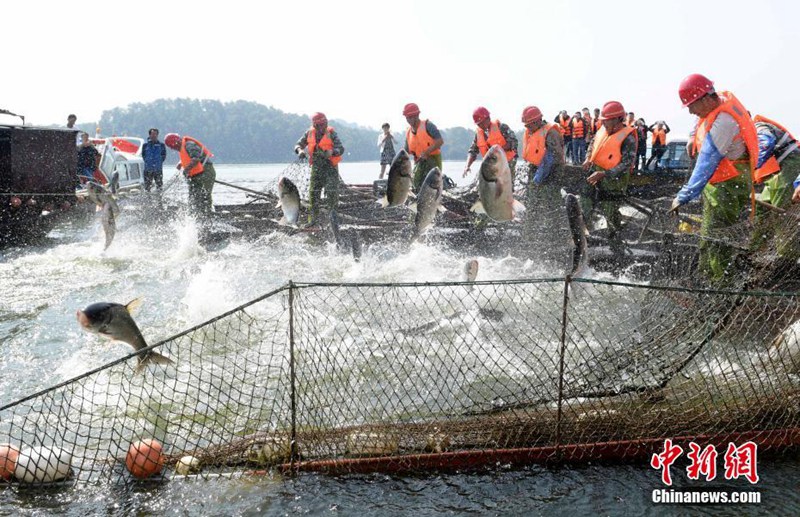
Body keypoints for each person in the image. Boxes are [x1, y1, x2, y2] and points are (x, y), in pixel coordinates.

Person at [670, 73, 758, 283]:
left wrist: (684, 195)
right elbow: (698, 122)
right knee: (707, 238)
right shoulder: (718, 104)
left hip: (728, 185)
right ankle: (707, 278)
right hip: (720, 183)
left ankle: (721, 289)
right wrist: (693, 137)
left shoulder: (724, 123)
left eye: (692, 105)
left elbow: (706, 162)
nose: (691, 110)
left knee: (715, 240)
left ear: (705, 98)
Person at [582, 101, 638, 250]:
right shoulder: (602, 131)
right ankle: (582, 241)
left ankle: (617, 248)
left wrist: (605, 174)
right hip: (595, 174)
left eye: (607, 121)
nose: (604, 123)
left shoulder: (628, 138)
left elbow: (626, 163)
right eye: (603, 120)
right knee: (585, 205)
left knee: (610, 213)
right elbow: (591, 145)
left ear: (618, 119)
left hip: (614, 181)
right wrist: (588, 158)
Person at [294, 112, 345, 227]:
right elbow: (298, 145)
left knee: (332, 194)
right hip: (316, 169)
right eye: (321, 124)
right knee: (313, 194)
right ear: (315, 125)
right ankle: (313, 220)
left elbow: (341, 148)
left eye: (325, 124)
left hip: (330, 168)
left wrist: (332, 152)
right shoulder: (309, 133)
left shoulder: (331, 133)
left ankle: (333, 221)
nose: (323, 126)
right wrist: (300, 151)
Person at [520, 105, 565, 208]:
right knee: (532, 197)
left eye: (529, 126)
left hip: (553, 170)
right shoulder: (532, 132)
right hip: (537, 168)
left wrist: (538, 178)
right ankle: (532, 218)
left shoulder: (551, 133)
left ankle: (555, 219)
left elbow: (552, 157)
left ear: (537, 121)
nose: (527, 128)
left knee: (549, 197)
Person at [164, 132, 217, 219]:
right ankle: (196, 216)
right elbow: (188, 157)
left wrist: (186, 169)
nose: (174, 149)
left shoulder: (189, 145)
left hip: (206, 172)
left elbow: (195, 159)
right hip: (195, 175)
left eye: (173, 147)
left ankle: (207, 216)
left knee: (205, 196)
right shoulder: (183, 147)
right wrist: (181, 163)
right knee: (193, 197)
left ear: (176, 142)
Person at [752, 115, 800, 209]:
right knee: (762, 205)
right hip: (781, 167)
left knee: (779, 202)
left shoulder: (758, 126)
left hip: (792, 162)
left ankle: (779, 222)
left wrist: (753, 167)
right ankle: (760, 222)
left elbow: (766, 143)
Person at [463, 107, 518, 181]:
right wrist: (467, 166)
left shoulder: (501, 127)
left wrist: (497, 151)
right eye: (479, 124)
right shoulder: (478, 134)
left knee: (506, 186)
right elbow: (472, 151)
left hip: (507, 163)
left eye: (482, 122)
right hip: (490, 166)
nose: (481, 125)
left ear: (488, 118)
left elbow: (514, 142)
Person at [403, 103, 444, 191]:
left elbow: (440, 141)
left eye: (410, 117)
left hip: (433, 160)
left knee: (431, 185)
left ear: (417, 115)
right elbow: (405, 152)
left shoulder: (428, 125)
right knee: (416, 184)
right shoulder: (408, 132)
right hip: (419, 161)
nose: (408, 120)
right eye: (407, 118)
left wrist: (427, 152)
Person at [141, 128, 167, 192]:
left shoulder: (161, 145)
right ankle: (147, 200)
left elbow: (163, 156)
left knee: (159, 187)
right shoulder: (145, 145)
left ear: (157, 135)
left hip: (158, 170)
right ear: (149, 135)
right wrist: (148, 162)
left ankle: (159, 200)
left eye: (155, 134)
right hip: (148, 170)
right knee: (147, 188)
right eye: (152, 134)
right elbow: (143, 155)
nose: (154, 136)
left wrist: (159, 162)